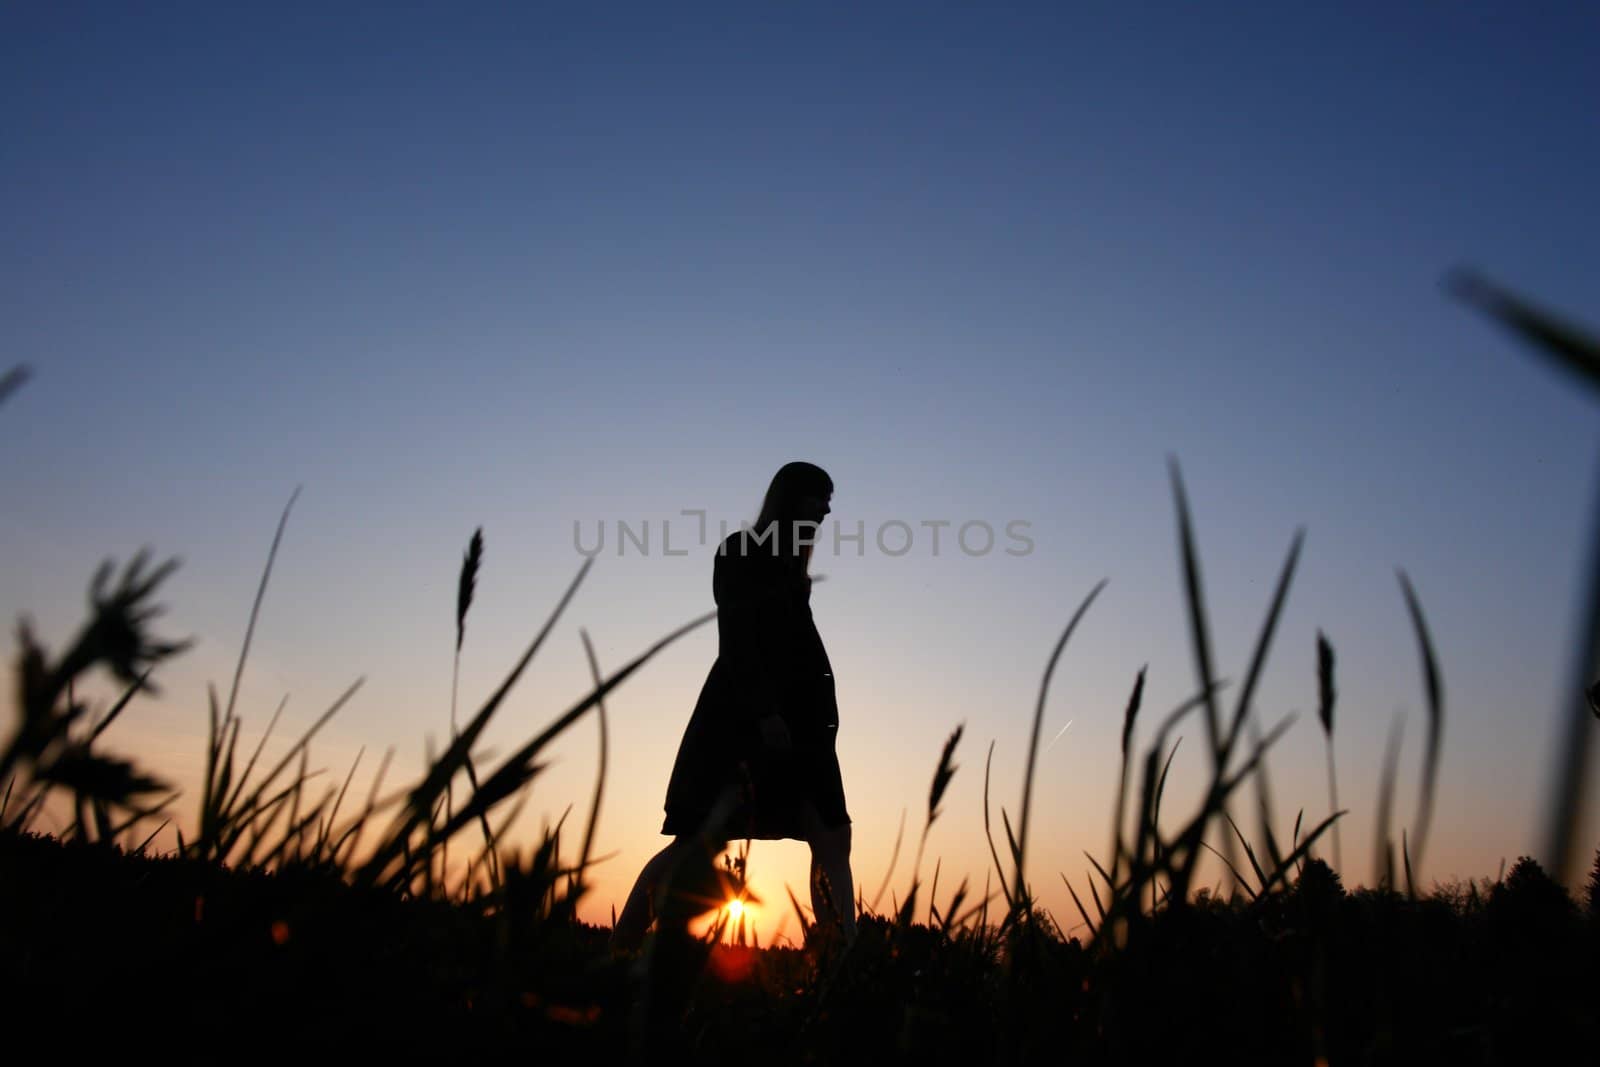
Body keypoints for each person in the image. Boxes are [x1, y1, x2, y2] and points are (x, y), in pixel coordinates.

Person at [610, 461, 855, 953]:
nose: (828, 508)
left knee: (830, 836)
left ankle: (839, 960)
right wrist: (766, 713)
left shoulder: (792, 568)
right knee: (697, 844)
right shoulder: (742, 552)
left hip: (802, 724)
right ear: (791, 498)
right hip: (750, 722)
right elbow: (737, 640)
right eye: (818, 496)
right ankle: (621, 948)